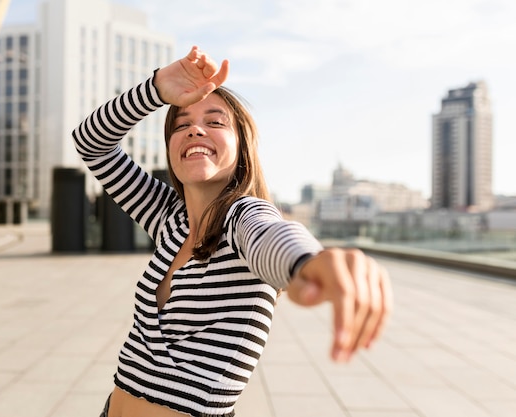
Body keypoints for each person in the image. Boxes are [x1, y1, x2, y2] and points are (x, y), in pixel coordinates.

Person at [72, 46, 392, 417]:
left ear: (242, 148)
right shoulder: (168, 219)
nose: (195, 128)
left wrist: (310, 262)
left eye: (216, 122)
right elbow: (91, 143)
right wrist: (158, 88)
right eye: (181, 124)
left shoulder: (241, 217)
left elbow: (270, 233)